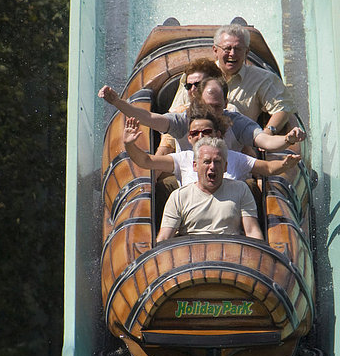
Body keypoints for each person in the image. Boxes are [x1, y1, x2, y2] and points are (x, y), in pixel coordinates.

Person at [98, 81, 304, 153]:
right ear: (197, 101)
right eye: (207, 105)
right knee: (163, 190)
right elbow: (149, 118)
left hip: (229, 183)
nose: (211, 111)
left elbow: (265, 141)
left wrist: (287, 140)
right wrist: (117, 102)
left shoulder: (237, 122)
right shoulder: (182, 121)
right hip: (188, 184)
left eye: (216, 106)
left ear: (225, 103)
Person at [123, 110, 301, 187]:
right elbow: (145, 161)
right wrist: (130, 144)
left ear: (218, 134)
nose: (201, 137)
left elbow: (268, 168)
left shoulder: (234, 157)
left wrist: (284, 165)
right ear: (189, 137)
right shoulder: (182, 158)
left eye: (207, 132)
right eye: (196, 133)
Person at [171, 23, 297, 133]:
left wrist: (268, 132)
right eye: (227, 48)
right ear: (215, 50)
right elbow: (175, 113)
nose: (232, 54)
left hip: (241, 146)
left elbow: (283, 108)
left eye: (238, 49)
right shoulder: (194, 77)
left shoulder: (263, 78)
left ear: (246, 52)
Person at [156, 137, 264, 242]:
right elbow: (164, 238)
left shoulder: (241, 189)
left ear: (225, 166)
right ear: (195, 166)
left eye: (217, 161)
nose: (212, 166)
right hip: (191, 255)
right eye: (207, 161)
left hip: (230, 254)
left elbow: (252, 232)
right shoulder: (179, 196)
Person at [157, 57, 224, 155]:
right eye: (189, 86)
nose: (193, 90)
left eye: (198, 84)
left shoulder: (230, 111)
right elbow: (164, 150)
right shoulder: (179, 114)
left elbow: (247, 153)